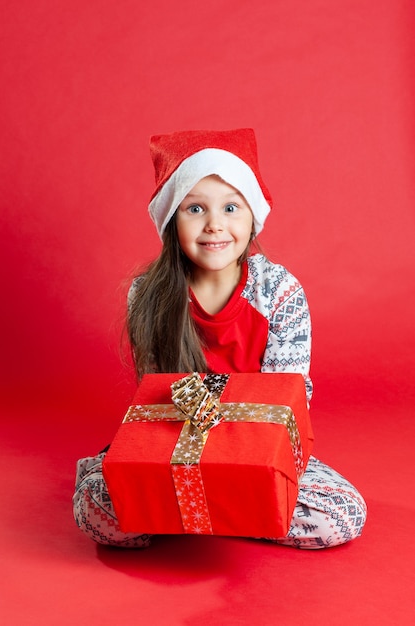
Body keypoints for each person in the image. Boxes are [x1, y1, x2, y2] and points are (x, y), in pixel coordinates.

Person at [73, 128, 367, 549]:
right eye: (195, 208)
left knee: (343, 515)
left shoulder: (278, 291)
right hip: (175, 444)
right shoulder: (148, 294)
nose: (215, 225)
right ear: (172, 219)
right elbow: (158, 399)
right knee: (97, 514)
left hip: (256, 445)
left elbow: (287, 401)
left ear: (253, 217)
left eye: (231, 207)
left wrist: (243, 466)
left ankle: (200, 513)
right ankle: (231, 511)